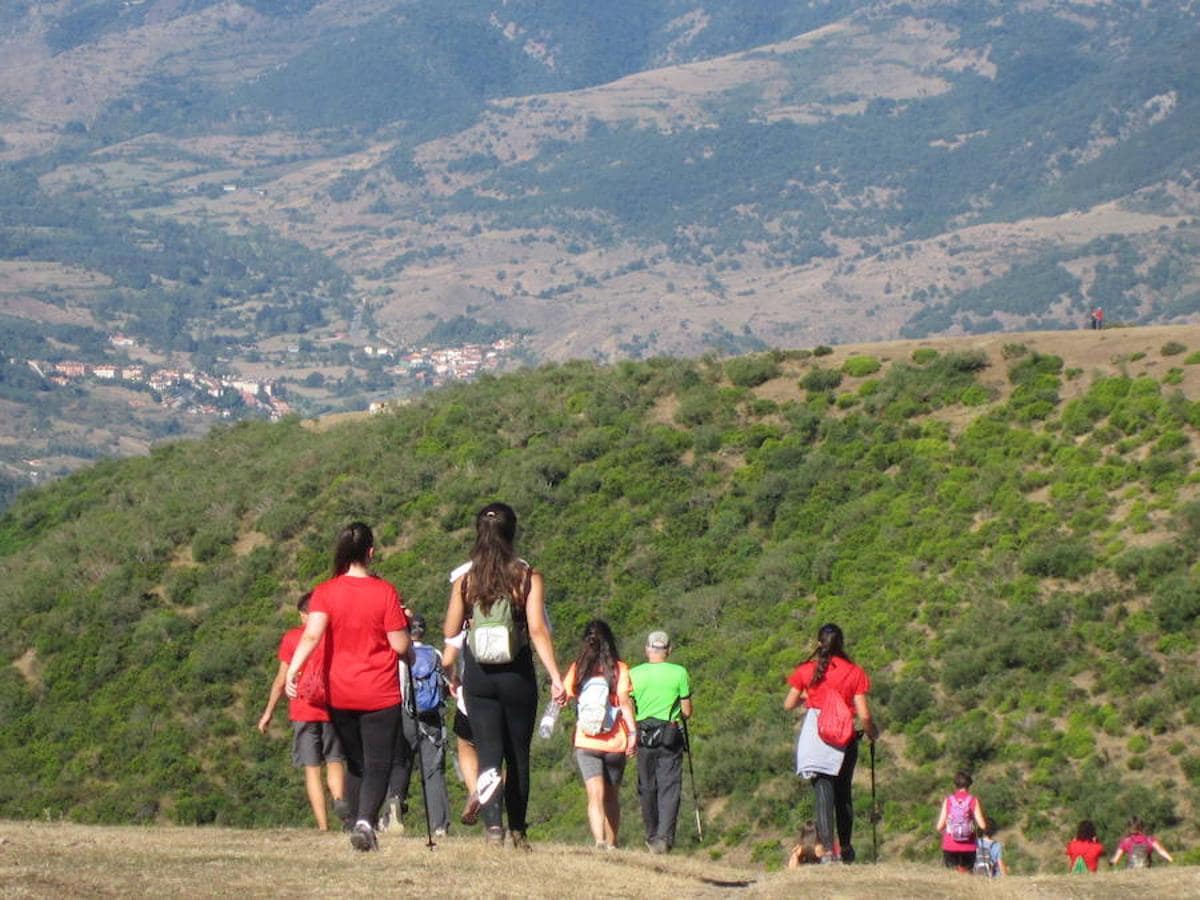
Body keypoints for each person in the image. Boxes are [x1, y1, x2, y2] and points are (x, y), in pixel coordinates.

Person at [442, 502, 564, 851]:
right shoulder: (527, 576)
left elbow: (451, 629)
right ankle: (518, 832)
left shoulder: (466, 580)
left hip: (478, 675)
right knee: (518, 754)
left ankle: (493, 828)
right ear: (512, 533)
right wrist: (555, 675)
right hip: (517, 675)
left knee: (489, 754)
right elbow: (538, 630)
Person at [286, 522, 410, 852]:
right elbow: (399, 645)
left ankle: (355, 820)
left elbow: (311, 635)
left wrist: (292, 672)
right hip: (379, 692)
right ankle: (365, 822)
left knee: (354, 761)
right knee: (378, 762)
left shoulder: (325, 592)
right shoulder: (385, 591)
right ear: (371, 552)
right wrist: (412, 653)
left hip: (339, 694)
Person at [784, 623, 878, 864]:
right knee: (843, 793)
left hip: (816, 737)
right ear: (842, 644)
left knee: (823, 794)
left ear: (818, 644)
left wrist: (811, 695)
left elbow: (789, 704)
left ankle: (826, 852)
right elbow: (864, 714)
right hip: (845, 738)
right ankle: (846, 848)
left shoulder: (806, 670)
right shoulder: (855, 672)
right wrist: (872, 732)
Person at [256, 592, 346, 830]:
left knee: (312, 769)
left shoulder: (293, 638)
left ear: (305, 614)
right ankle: (339, 800)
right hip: (333, 708)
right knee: (335, 760)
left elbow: (280, 680)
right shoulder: (334, 637)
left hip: (303, 710)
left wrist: (268, 713)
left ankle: (323, 826)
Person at [563, 619, 637, 850]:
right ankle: (613, 844)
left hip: (586, 740)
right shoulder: (619, 669)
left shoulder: (578, 668)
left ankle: (599, 841)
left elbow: (565, 696)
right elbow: (624, 703)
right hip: (615, 743)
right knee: (611, 797)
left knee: (594, 796)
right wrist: (633, 734)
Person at [381, 615, 451, 837]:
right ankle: (439, 826)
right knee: (433, 772)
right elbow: (446, 686)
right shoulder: (436, 654)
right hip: (431, 719)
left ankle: (391, 817)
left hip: (403, 716)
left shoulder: (399, 655)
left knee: (399, 767)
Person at [629, 629, 693, 854]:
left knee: (647, 786)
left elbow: (628, 705)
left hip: (643, 734)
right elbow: (686, 711)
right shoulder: (679, 672)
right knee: (669, 786)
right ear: (669, 650)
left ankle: (651, 835)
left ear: (647, 649)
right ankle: (664, 839)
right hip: (669, 734)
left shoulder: (633, 674)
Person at [442, 624, 481, 826]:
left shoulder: (468, 614)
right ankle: (501, 819)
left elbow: (447, 660)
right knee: (504, 755)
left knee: (466, 744)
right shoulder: (519, 597)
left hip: (473, 696)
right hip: (511, 694)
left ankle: (475, 790)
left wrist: (453, 679)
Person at [936, 771, 989, 872]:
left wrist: (949, 830)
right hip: (969, 846)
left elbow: (939, 827)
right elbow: (982, 825)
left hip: (949, 845)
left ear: (955, 784)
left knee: (951, 877)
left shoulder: (948, 800)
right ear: (969, 784)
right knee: (966, 877)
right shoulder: (973, 800)